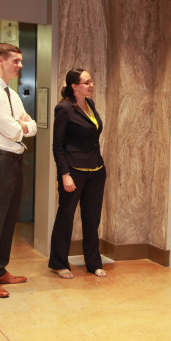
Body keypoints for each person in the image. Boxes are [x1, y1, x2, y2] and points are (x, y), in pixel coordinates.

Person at [0, 43, 37, 298]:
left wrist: (24, 126)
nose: (20, 65)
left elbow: (32, 125)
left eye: (20, 60)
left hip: (15, 160)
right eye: (15, 60)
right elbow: (11, 129)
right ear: (0, 61)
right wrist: (22, 126)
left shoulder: (12, 95)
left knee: (8, 218)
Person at [49, 69, 107, 279]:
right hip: (73, 171)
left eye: (92, 81)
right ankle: (59, 263)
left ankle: (93, 263)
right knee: (66, 216)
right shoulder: (63, 108)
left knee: (92, 218)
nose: (91, 85)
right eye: (86, 82)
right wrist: (65, 174)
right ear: (74, 86)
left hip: (96, 170)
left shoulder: (90, 104)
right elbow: (57, 145)